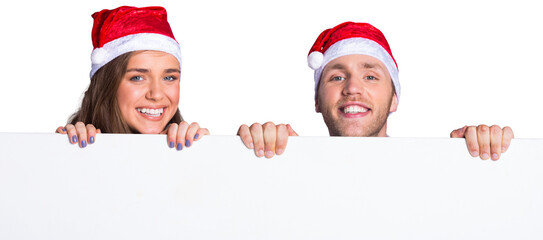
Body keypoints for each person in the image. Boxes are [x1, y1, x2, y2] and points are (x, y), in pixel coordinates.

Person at [238, 22, 513, 160]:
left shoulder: (435, 171)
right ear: (317, 100)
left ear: (394, 99)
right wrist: (236, 155)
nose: (353, 88)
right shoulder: (289, 171)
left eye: (370, 76)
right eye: (336, 77)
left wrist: (486, 156)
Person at [56, 6, 208, 150]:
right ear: (107, 85)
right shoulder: (75, 145)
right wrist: (64, 152)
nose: (156, 95)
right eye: (137, 78)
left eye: (169, 78)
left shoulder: (192, 147)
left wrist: (210, 154)